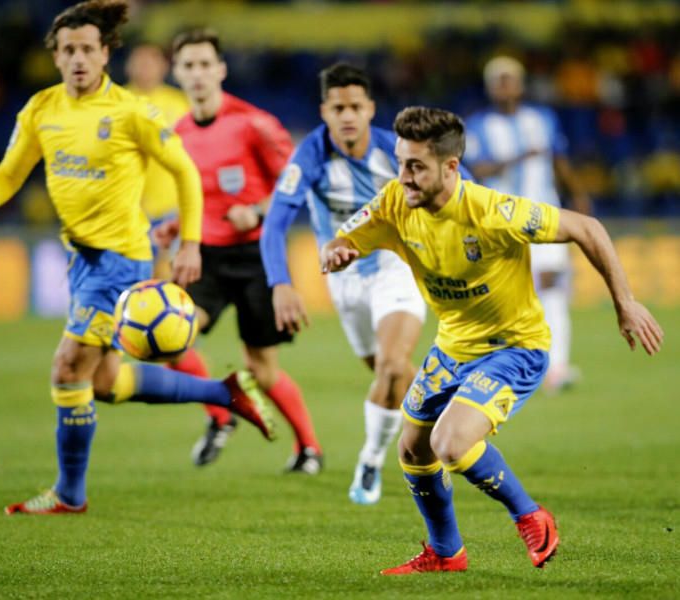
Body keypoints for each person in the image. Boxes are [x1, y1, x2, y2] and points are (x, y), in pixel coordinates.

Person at [0, 0, 275, 516]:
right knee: (102, 383)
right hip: (79, 258)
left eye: (87, 48)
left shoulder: (133, 111)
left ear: (105, 54)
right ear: (56, 57)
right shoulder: (41, 108)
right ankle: (224, 392)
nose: (78, 58)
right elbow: (12, 173)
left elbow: (185, 172)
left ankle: (69, 494)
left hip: (121, 260)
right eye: (68, 50)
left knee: (66, 368)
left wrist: (190, 242)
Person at [321, 106, 663, 573]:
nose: (403, 177)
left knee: (451, 444)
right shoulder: (394, 201)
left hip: (514, 348)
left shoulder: (493, 212)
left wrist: (625, 303)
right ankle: (446, 553)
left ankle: (531, 515)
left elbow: (589, 228)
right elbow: (344, 238)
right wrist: (337, 252)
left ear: (451, 167)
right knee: (412, 449)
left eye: (416, 166)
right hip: (453, 347)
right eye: (400, 163)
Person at [156, 27, 323, 473]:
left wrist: (257, 210)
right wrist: (177, 225)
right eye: (188, 65)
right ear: (177, 73)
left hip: (256, 258)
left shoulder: (255, 123)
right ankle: (220, 413)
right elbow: (200, 194)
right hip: (205, 256)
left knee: (263, 371)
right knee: (171, 340)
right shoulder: (178, 132)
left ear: (221, 69)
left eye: (205, 64)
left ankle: (309, 448)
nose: (197, 74)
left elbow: (296, 187)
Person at [260, 63, 426, 504]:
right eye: (338, 108)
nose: (348, 115)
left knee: (392, 365)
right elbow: (274, 224)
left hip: (397, 268)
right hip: (345, 283)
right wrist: (280, 283)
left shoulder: (395, 152)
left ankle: (371, 459)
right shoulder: (310, 156)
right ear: (324, 111)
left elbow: (456, 185)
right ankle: (447, 431)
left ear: (371, 109)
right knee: (391, 379)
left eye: (356, 106)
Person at [463, 56, 592, 392]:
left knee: (552, 287)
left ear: (520, 84)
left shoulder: (543, 119)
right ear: (491, 87)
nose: (505, 85)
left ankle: (557, 368)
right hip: (500, 222)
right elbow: (477, 170)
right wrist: (518, 158)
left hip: (544, 215)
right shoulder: (476, 126)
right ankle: (502, 368)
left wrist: (578, 194)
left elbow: (559, 159)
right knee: (503, 296)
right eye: (499, 80)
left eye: (511, 79)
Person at [124, 42, 190, 279]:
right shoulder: (116, 103)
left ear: (163, 67)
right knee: (133, 278)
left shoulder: (181, 104)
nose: (145, 68)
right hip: (130, 209)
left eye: (151, 62)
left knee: (172, 278)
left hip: (171, 207)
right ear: (129, 66)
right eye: (139, 62)